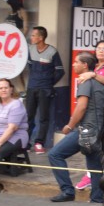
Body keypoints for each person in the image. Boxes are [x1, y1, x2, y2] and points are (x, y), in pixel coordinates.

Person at [48, 53, 104, 203]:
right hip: (100, 130)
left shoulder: (86, 82)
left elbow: (81, 107)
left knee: (55, 154)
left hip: (87, 130)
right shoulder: (101, 83)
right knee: (94, 165)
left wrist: (69, 125)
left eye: (76, 62)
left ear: (85, 65)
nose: (73, 65)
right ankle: (97, 198)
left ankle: (67, 190)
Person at [74, 40, 104, 190]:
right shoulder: (94, 67)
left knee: (97, 148)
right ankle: (91, 176)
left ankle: (95, 179)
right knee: (91, 148)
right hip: (90, 116)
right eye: (98, 48)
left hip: (102, 114)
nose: (100, 51)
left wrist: (92, 75)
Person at [25, 27, 65, 155]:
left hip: (45, 90)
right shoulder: (30, 50)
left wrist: (48, 83)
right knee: (28, 116)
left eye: (33, 35)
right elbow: (30, 66)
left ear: (41, 38)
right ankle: (25, 142)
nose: (31, 37)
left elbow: (60, 71)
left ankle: (39, 143)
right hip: (31, 87)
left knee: (43, 117)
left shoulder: (52, 52)